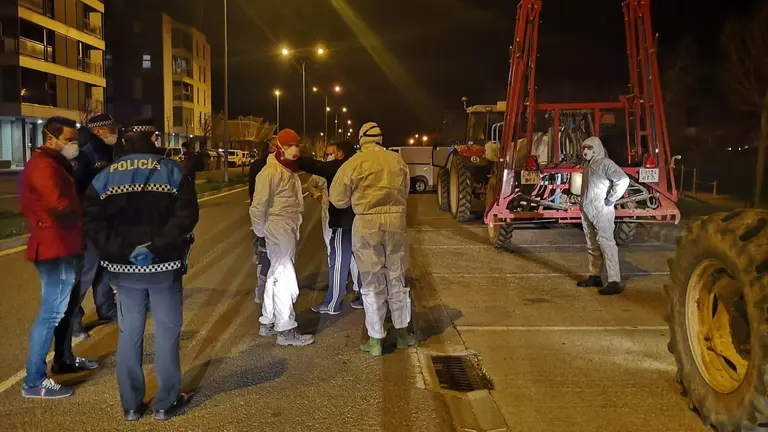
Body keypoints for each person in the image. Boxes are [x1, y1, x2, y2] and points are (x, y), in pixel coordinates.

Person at [83, 118, 199, 421]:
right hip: (164, 266)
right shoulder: (173, 171)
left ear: (124, 141)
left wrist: (123, 250)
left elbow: (92, 221)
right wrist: (154, 247)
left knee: (129, 334)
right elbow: (186, 217)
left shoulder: (106, 176)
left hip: (122, 270)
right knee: (166, 333)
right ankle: (165, 402)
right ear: (154, 138)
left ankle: (132, 405)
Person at [19, 116, 99, 399]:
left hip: (65, 243)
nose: (74, 145)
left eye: (76, 139)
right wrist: (86, 206)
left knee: (64, 309)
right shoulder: (43, 166)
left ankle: (63, 359)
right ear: (50, 138)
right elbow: (57, 204)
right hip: (55, 247)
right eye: (68, 140)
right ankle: (34, 381)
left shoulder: (54, 163)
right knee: (51, 312)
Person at [330, 122, 415, 356]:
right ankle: (403, 334)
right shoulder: (397, 160)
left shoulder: (354, 163)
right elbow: (406, 190)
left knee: (371, 281)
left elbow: (337, 199)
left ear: (361, 139)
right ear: (380, 138)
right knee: (397, 277)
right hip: (396, 222)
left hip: (366, 222)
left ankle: (376, 339)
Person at [249, 128, 314, 346]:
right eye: (288, 146)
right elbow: (257, 207)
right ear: (279, 147)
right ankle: (286, 328)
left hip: (285, 227)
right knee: (286, 279)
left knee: (276, 275)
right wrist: (261, 232)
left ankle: (268, 320)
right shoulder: (270, 173)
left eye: (296, 145)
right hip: (279, 228)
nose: (294, 150)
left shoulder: (287, 169)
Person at [299, 140, 364, 314]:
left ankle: (332, 303)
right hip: (360, 222)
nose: (329, 157)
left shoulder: (339, 168)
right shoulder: (362, 166)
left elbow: (314, 165)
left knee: (338, 263)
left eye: (332, 153)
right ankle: (364, 298)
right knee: (360, 260)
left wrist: (295, 157)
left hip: (342, 223)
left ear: (340, 154)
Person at [71, 113, 120, 339]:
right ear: (98, 130)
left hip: (105, 220)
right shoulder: (86, 154)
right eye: (110, 128)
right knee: (86, 271)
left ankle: (106, 307)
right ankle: (72, 322)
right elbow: (74, 189)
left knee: (105, 267)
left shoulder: (107, 152)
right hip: (88, 221)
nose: (114, 132)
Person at [576, 136, 630, 296]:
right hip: (588, 211)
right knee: (592, 244)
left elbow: (622, 179)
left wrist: (611, 198)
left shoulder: (605, 164)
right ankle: (595, 275)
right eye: (584, 147)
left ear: (597, 148)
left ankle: (614, 280)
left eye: (589, 148)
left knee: (606, 243)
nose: (586, 151)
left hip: (601, 211)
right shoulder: (589, 166)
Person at [248, 138, 273, 304]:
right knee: (265, 255)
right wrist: (259, 228)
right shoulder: (261, 167)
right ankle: (262, 291)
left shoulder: (281, 167)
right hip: (266, 217)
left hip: (275, 220)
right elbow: (255, 196)